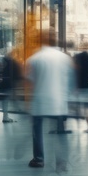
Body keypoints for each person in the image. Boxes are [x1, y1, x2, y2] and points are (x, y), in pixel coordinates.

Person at [26, 31, 75, 168]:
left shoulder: (35, 58)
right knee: (60, 132)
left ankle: (39, 159)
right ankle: (61, 161)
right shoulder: (65, 58)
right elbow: (70, 82)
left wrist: (29, 102)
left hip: (40, 101)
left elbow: (30, 82)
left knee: (37, 130)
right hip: (59, 102)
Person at [74, 43, 88, 133]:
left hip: (78, 86)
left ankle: (78, 122)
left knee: (77, 105)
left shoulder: (77, 57)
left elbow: (74, 71)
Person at [0, 50, 21, 123]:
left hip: (7, 84)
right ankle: (7, 116)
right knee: (8, 99)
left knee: (7, 99)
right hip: (10, 84)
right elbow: (16, 74)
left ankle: (7, 115)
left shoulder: (6, 63)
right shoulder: (12, 63)